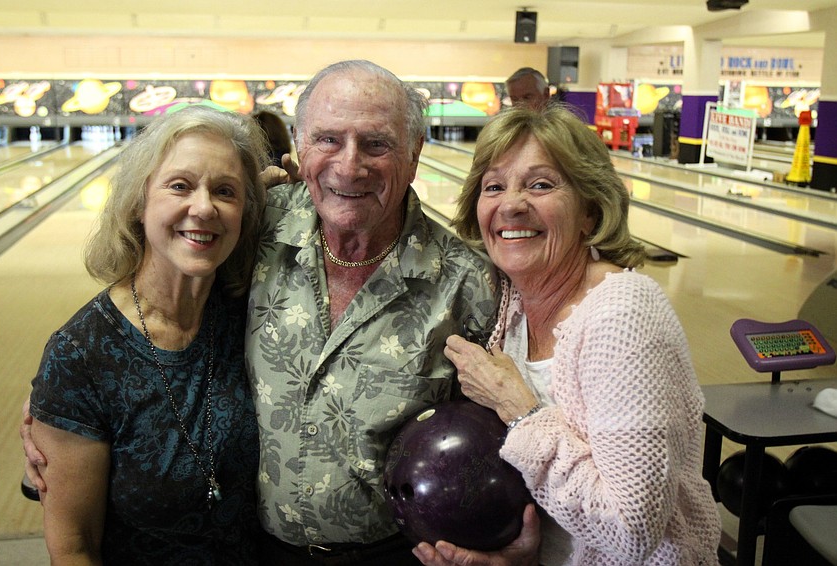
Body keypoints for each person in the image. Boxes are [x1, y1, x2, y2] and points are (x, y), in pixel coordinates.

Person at [415, 105, 723, 566]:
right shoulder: (514, 305)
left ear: (590, 211)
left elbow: (632, 532)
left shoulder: (622, 317)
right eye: (494, 186)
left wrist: (517, 408)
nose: (511, 204)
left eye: (541, 184)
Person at [246, 59, 503, 564]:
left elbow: (500, 434)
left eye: (376, 143)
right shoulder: (252, 229)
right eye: (327, 140)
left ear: (414, 155)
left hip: (392, 554)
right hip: (251, 545)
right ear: (300, 144)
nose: (348, 165)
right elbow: (155, 299)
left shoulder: (468, 283)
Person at [27, 105, 268, 565]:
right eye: (179, 185)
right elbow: (73, 548)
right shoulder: (80, 355)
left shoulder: (255, 311)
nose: (203, 207)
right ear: (138, 202)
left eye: (224, 191)